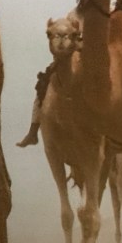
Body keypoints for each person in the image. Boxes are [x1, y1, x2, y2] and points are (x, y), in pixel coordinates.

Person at [16, 14, 83, 147]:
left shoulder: (93, 17)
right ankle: (33, 130)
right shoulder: (74, 15)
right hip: (61, 64)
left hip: (84, 62)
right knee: (42, 87)